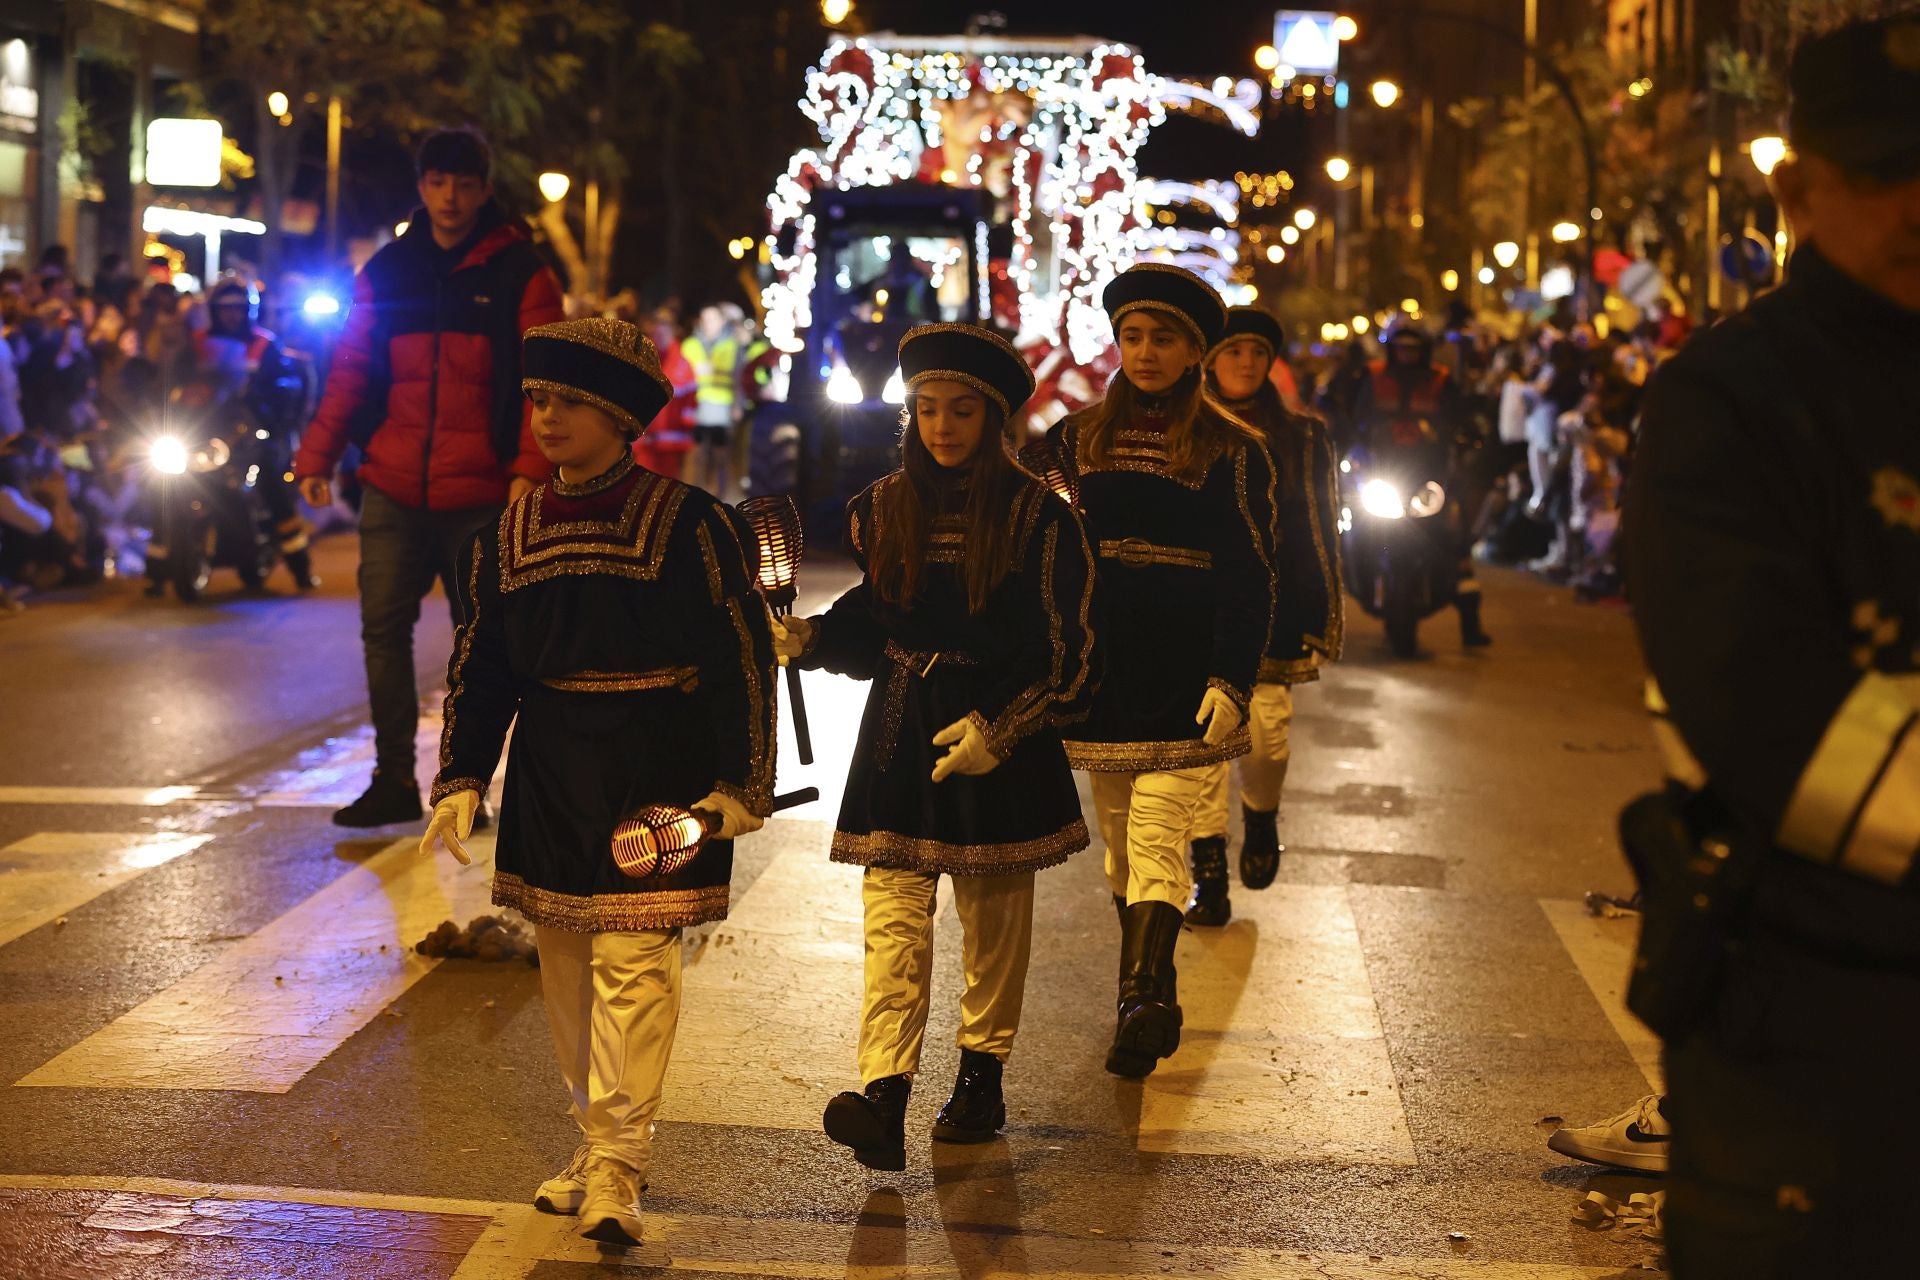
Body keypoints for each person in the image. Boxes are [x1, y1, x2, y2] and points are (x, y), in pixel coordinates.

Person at [1623, 15, 1920, 1276]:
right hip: (1818, 1013)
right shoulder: (1729, 400)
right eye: (1881, 171)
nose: (1919, 205)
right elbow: (1772, 711)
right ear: (1796, 187)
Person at [422, 316, 776, 1248]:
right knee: (567, 968)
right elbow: (481, 662)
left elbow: (741, 655)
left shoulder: (695, 523)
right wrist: (462, 773)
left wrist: (742, 779)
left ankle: (622, 1160)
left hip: (656, 768)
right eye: (539, 399)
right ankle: (594, 1141)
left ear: (619, 415)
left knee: (634, 963)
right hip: (550, 769)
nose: (546, 417)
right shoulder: (506, 531)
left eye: (569, 401)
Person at [775, 323, 1098, 1170]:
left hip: (997, 735)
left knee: (993, 921)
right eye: (926, 410)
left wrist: (1003, 728)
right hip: (902, 728)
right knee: (894, 917)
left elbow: (1064, 652)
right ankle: (884, 1094)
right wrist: (811, 638)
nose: (942, 427)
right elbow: (877, 617)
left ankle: (982, 1075)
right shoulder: (882, 506)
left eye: (960, 410)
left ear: (993, 418)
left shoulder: (1039, 516)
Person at [1026, 264, 1276, 1078]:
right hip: (1101, 672)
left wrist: (1231, 679)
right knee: (1121, 854)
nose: (1144, 353)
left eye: (1163, 338)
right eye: (1133, 336)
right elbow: (1032, 538)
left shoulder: (1235, 450)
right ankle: (1155, 985)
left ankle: (1138, 1002)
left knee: (1159, 832)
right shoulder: (1071, 440)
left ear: (1195, 351)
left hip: (1183, 672)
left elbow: (1249, 572)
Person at [294, 127, 565, 827]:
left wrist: (529, 472)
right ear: (422, 187)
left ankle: (463, 789)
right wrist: (316, 456)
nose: (451, 197)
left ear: (484, 189)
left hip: (480, 493)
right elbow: (351, 367)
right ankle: (392, 780)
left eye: (466, 184)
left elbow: (544, 382)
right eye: (439, 183)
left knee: (483, 648)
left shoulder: (520, 273)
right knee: (382, 630)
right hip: (392, 485)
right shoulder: (388, 270)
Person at [1185, 308, 1342, 925]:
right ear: (1210, 361)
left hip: (1272, 609)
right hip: (1200, 608)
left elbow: (1319, 527)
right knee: (1201, 749)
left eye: (1256, 352)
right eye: (1232, 352)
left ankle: (1261, 815)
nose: (1245, 364)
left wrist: (1321, 608)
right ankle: (1210, 878)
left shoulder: (1303, 436)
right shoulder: (1188, 426)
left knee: (1268, 740)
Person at [1351, 323, 1491, 647]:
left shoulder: (1442, 381)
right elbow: (1348, 416)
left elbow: (1462, 419)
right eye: (1402, 348)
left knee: (1457, 542)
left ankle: (1471, 623)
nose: (1407, 355)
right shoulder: (1371, 378)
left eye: (1414, 349)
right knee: (1345, 528)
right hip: (1382, 472)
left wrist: (1467, 439)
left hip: (1429, 477)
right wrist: (1347, 441)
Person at [180, 278, 317, 590]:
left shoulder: (265, 344)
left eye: (238, 309)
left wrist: (272, 396)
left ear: (249, 310)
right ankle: (159, 569)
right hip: (204, 430)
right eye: (225, 309)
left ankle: (301, 568)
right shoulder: (197, 343)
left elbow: (286, 382)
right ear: (214, 310)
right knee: (165, 485)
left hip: (250, 429)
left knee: (273, 486)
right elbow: (172, 380)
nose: (231, 315)